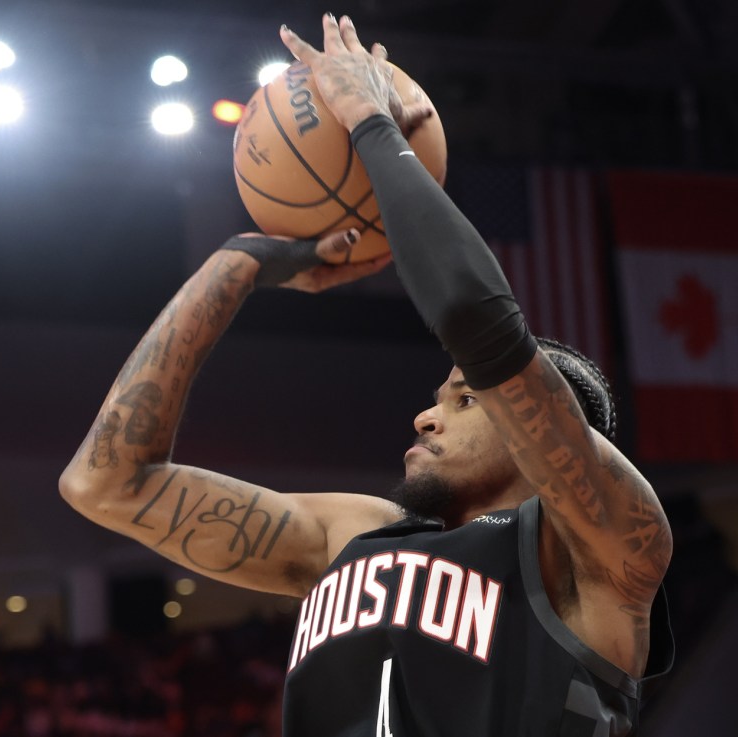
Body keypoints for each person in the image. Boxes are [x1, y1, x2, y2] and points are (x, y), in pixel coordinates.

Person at [60, 13, 673, 736]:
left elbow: (480, 323)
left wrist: (369, 125)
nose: (425, 415)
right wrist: (232, 269)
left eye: (466, 396)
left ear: (542, 424)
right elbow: (106, 483)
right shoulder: (353, 535)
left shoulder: (601, 548)